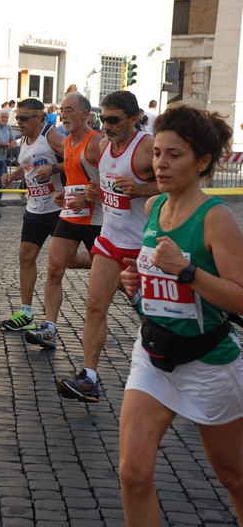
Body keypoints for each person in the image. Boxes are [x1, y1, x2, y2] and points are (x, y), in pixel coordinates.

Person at [118, 105, 243, 527]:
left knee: (233, 476)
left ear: (202, 162)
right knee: (133, 474)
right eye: (157, 154)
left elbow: (239, 298)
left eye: (175, 155)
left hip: (208, 362)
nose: (161, 164)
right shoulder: (154, 207)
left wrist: (186, 271)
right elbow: (155, 284)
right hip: (154, 354)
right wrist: (134, 283)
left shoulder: (217, 219)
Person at [56, 90, 158, 402]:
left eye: (113, 120)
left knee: (154, 317)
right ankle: (89, 377)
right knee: (94, 306)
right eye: (103, 118)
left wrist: (142, 189)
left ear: (134, 117)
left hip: (144, 248)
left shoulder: (148, 148)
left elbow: (180, 183)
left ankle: (179, 375)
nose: (107, 125)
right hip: (111, 241)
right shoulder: (103, 146)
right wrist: (84, 195)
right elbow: (103, 185)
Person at [25, 92, 103, 350]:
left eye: (69, 110)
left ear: (85, 115)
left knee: (118, 276)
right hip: (71, 213)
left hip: (97, 218)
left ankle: (142, 305)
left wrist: (91, 198)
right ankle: (48, 328)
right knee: (54, 268)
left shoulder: (96, 143)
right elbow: (73, 177)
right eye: (61, 109)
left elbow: (113, 181)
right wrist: (65, 193)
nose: (63, 114)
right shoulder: (68, 143)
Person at [0, 98, 66, 331]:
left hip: (59, 209)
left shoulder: (52, 137)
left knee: (59, 266)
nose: (18, 122)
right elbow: (27, 166)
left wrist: (55, 168)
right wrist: (13, 176)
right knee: (26, 258)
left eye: (23, 118)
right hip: (35, 209)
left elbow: (79, 159)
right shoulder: (24, 139)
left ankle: (49, 324)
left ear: (39, 118)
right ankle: (26, 313)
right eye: (17, 118)